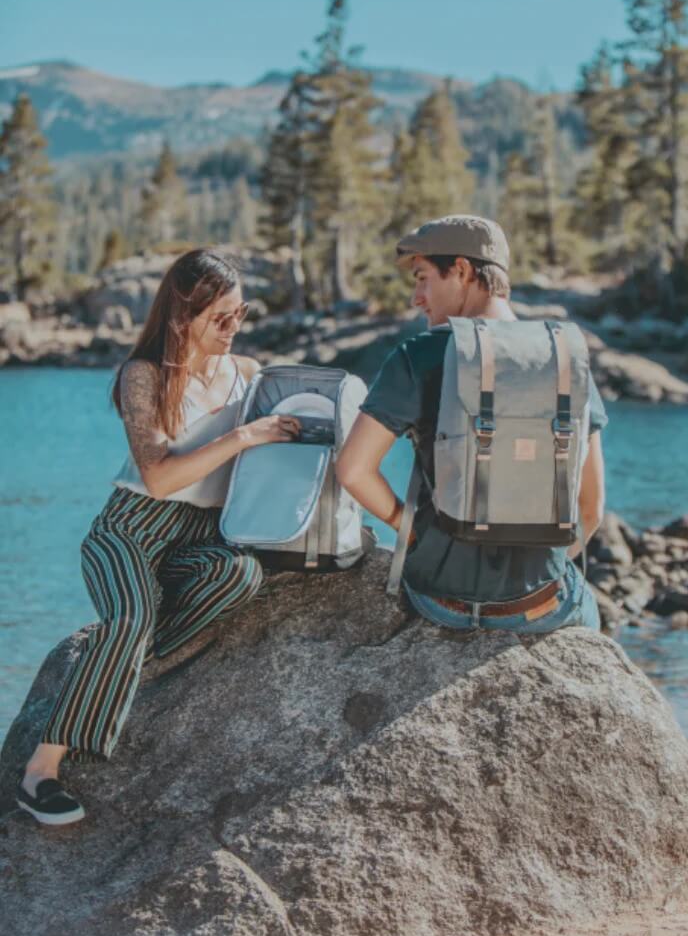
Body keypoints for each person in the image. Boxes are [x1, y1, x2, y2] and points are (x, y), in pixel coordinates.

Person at [18, 249, 299, 825]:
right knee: (130, 620)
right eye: (219, 316)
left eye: (240, 313)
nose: (233, 328)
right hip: (128, 529)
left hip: (200, 535)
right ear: (181, 314)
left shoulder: (246, 373)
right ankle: (39, 772)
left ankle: (116, 670)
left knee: (240, 574)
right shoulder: (142, 376)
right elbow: (160, 475)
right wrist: (246, 434)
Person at [336, 214, 607, 634]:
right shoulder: (565, 359)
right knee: (590, 609)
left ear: (461, 270)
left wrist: (411, 536)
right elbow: (591, 509)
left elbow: (353, 470)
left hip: (439, 599)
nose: (416, 297)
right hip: (538, 605)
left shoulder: (419, 355)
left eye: (422, 278)